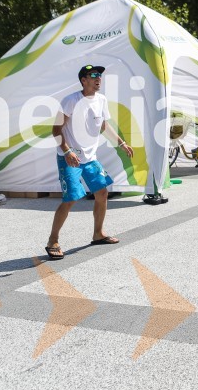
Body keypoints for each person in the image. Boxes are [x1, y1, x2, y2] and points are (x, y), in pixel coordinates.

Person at [44, 65, 134, 260]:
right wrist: (67, 151)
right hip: (70, 158)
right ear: (83, 80)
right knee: (71, 199)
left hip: (89, 158)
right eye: (93, 75)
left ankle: (98, 234)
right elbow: (56, 130)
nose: (98, 78)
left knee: (102, 193)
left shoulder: (101, 100)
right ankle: (53, 240)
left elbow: (103, 126)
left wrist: (122, 143)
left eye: (99, 75)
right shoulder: (71, 101)